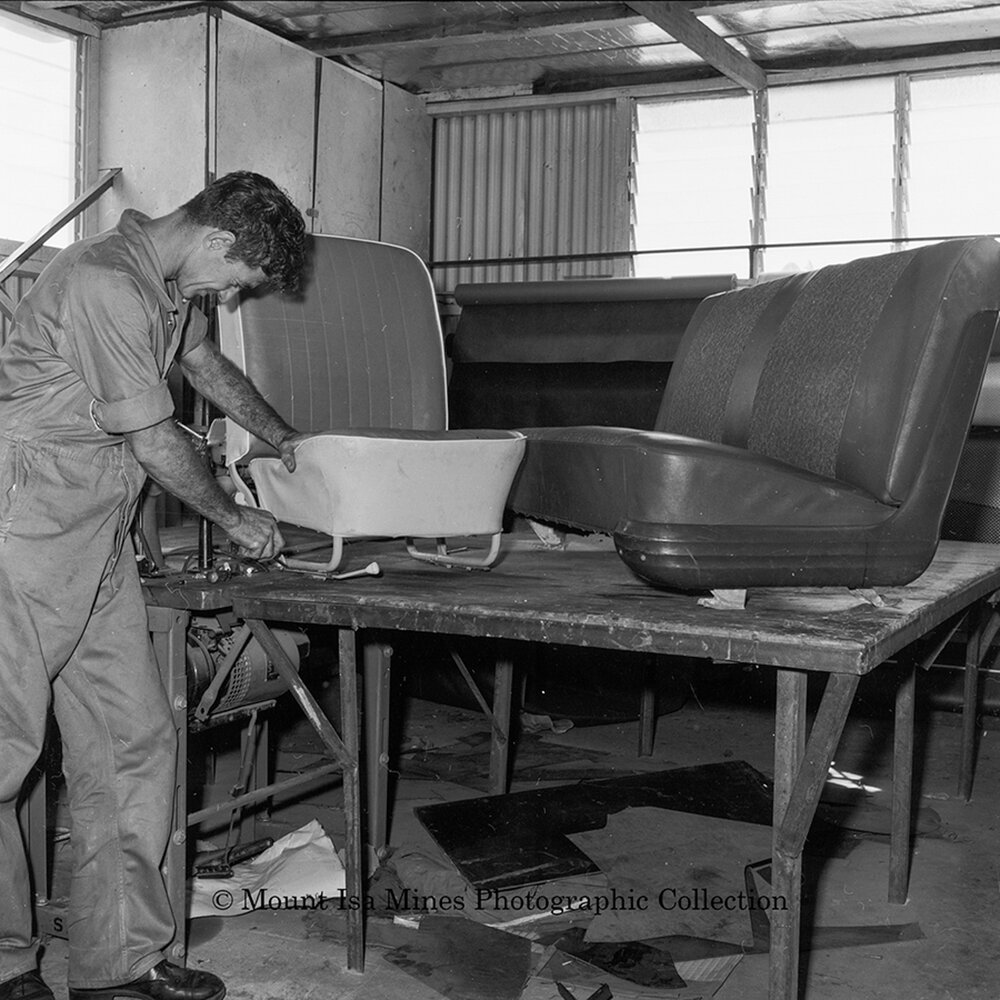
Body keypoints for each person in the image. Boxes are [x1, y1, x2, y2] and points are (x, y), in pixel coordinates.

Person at [0, 171, 309, 1000]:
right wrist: (233, 515)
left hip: (96, 530)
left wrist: (281, 437)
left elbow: (202, 364)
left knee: (133, 742)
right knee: (2, 754)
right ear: (216, 240)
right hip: (21, 519)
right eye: (238, 282)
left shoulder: (172, 287)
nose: (232, 300)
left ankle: (118, 964)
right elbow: (151, 434)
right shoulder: (102, 279)